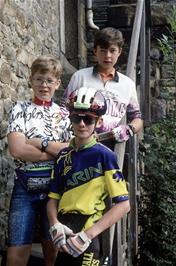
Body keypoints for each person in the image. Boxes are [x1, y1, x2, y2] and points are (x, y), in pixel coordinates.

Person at [47, 87, 130, 266]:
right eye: (77, 117)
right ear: (70, 119)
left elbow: (123, 205)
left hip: (88, 234)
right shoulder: (63, 156)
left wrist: (87, 235)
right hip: (64, 231)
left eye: (88, 119)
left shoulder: (105, 156)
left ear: (99, 121)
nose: (82, 124)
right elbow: (52, 199)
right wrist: (54, 225)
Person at [6, 55, 72, 266]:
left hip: (54, 190)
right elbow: (17, 149)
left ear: (57, 83)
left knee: (52, 253)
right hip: (25, 188)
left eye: (49, 80)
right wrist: (52, 151)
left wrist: (38, 143)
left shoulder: (63, 114)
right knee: (16, 253)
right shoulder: (20, 109)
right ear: (31, 80)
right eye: (39, 79)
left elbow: (69, 150)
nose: (44, 85)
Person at [62, 27, 143, 150]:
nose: (108, 56)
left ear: (119, 52)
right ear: (95, 51)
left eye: (112, 50)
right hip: (81, 142)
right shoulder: (80, 77)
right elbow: (64, 109)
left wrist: (129, 129)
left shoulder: (128, 84)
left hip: (112, 145)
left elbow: (137, 118)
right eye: (103, 50)